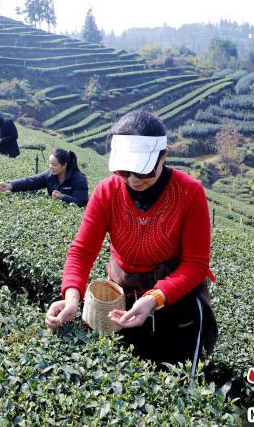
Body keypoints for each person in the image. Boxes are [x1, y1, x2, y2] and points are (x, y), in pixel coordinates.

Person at [45, 109, 218, 373]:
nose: (134, 180)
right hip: (122, 299)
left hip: (176, 304)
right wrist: (71, 297)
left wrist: (154, 298)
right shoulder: (108, 190)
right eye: (125, 172)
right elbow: (82, 250)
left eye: (143, 171)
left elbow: (196, 264)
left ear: (164, 155)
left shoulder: (189, 192)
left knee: (173, 383)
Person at [0, 149, 89, 207]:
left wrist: (63, 197)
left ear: (64, 165)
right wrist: (9, 185)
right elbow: (31, 181)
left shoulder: (79, 179)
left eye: (54, 164)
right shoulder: (50, 175)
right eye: (50, 163)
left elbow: (81, 201)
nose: (51, 167)